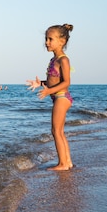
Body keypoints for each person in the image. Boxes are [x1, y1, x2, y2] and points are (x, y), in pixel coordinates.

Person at [26, 24, 74, 171]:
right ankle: (68, 162)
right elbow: (54, 80)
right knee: (59, 131)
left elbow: (66, 82)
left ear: (62, 41)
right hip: (58, 96)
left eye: (50, 39)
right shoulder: (54, 60)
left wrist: (48, 91)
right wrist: (40, 83)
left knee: (56, 131)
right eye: (46, 39)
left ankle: (62, 164)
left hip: (62, 97)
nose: (46, 42)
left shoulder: (63, 60)